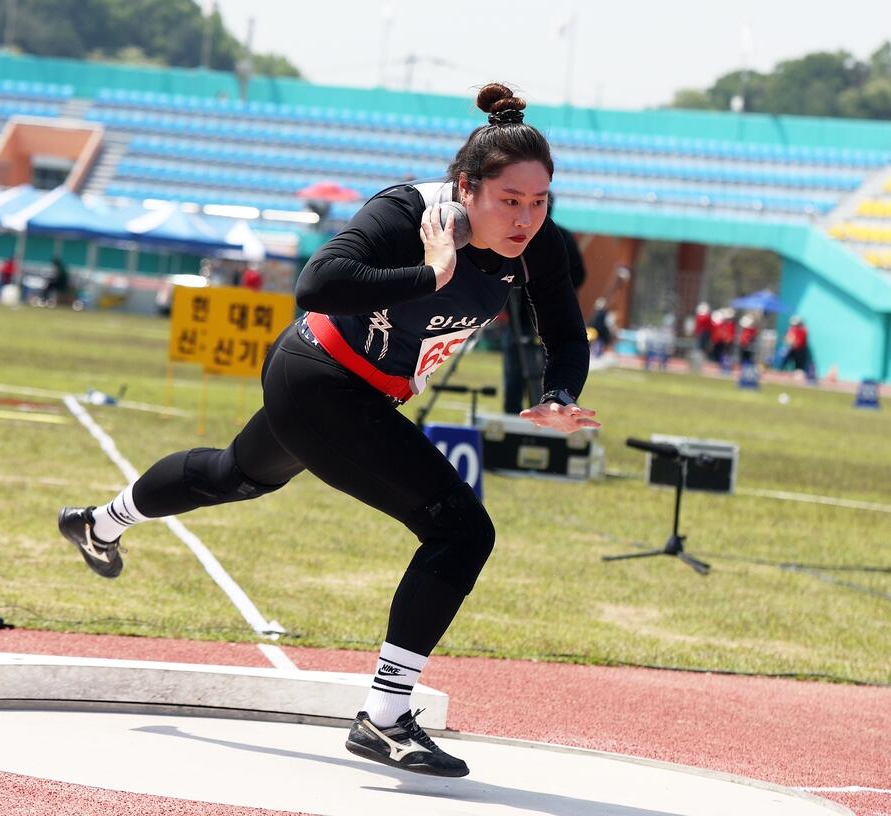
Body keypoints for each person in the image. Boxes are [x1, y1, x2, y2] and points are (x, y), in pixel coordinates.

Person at [57, 83, 598, 779]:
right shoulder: (405, 212)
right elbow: (317, 285)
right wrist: (429, 274)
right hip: (318, 377)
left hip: (363, 395)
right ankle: (383, 718)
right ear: (466, 188)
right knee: (461, 529)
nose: (525, 219)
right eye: (509, 201)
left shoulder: (537, 246)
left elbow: (561, 327)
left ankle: (100, 523)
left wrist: (558, 394)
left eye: (539, 202)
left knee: (233, 475)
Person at [501, 193, 585, 412]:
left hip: (548, 313)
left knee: (549, 364)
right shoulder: (508, 231)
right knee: (515, 368)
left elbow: (578, 274)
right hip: (518, 315)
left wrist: (556, 289)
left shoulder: (557, 237)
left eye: (540, 204)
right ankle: (514, 415)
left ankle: (551, 405)